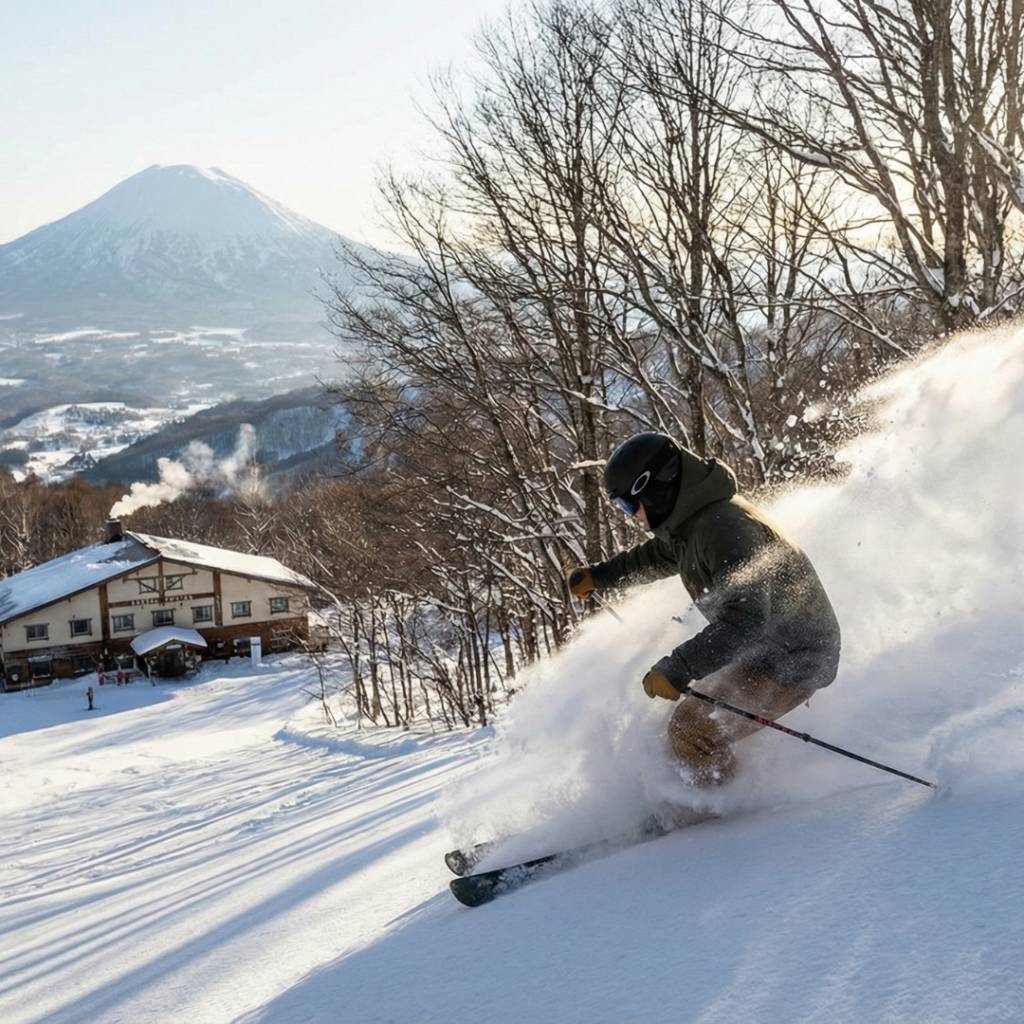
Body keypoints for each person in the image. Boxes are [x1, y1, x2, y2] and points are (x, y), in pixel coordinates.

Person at [567, 432, 841, 786]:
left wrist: (679, 667)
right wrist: (600, 576)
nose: (630, 515)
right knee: (676, 720)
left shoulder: (722, 527)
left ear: (655, 487)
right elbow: (656, 556)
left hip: (795, 658)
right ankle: (690, 798)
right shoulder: (692, 524)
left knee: (690, 729)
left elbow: (748, 619)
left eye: (628, 505)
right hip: (765, 649)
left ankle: (715, 820)